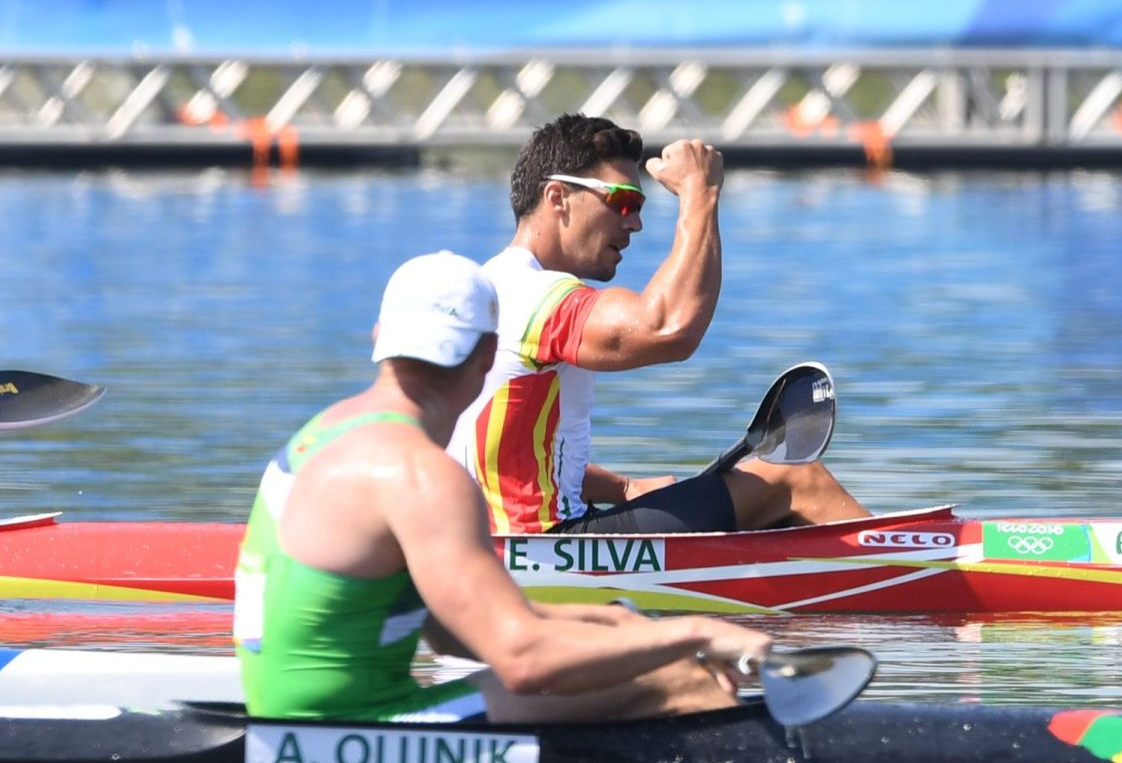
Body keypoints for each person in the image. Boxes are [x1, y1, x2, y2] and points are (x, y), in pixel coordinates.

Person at [235, 251, 771, 724]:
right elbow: (522, 660)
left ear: (380, 337)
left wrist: (607, 621)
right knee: (684, 679)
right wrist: (697, 635)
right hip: (357, 727)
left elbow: (447, 630)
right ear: (488, 355)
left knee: (631, 650)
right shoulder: (424, 476)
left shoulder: (321, 434)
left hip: (292, 714)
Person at [449, 113, 868, 535]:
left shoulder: (485, 289)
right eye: (623, 203)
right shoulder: (535, 297)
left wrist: (625, 486)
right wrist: (699, 192)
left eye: (639, 207)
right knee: (795, 480)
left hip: (486, 540)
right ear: (557, 197)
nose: (634, 224)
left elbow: (502, 452)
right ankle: (921, 577)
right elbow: (669, 328)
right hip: (547, 542)